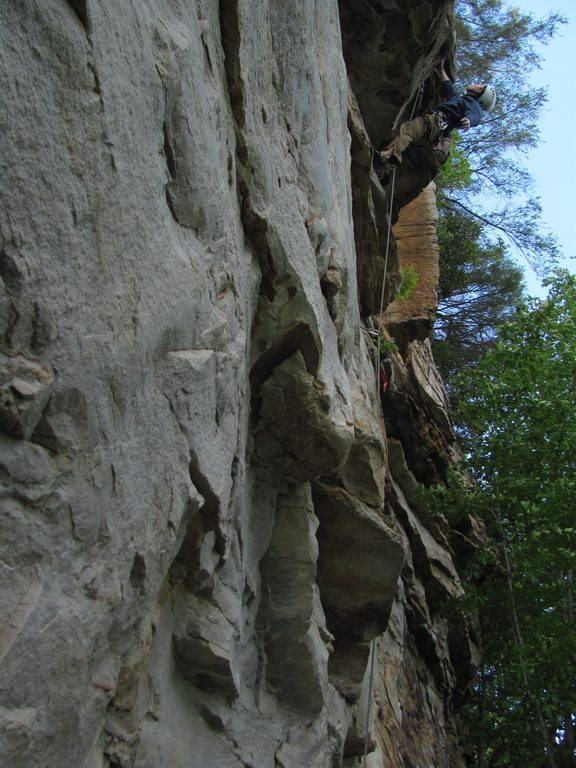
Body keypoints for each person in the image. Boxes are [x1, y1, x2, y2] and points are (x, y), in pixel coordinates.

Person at [377, 60, 496, 169]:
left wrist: (468, 120)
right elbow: (449, 88)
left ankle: (386, 155)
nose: (477, 84)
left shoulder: (474, 106)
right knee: (409, 134)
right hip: (437, 129)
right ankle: (384, 171)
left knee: (409, 130)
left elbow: (474, 116)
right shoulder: (462, 101)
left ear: (480, 93)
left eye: (480, 86)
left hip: (435, 122)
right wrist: (441, 70)